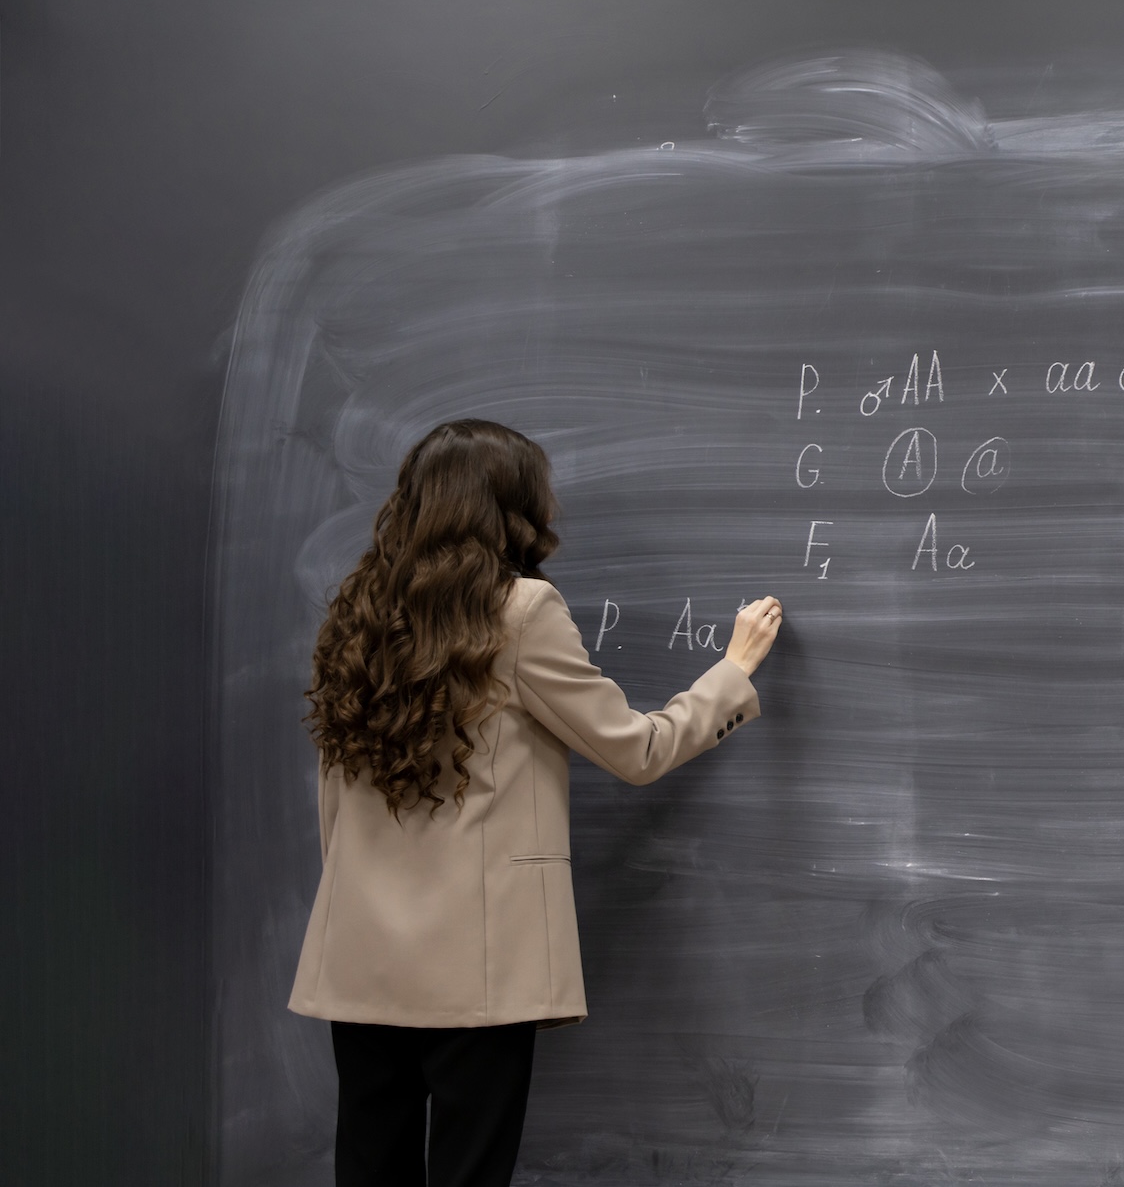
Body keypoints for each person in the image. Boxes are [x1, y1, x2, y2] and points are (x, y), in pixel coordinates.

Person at [288, 419, 783, 1186]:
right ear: (513, 506)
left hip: (361, 957)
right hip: (478, 969)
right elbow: (637, 751)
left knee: (367, 1167)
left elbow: (334, 794)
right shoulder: (520, 611)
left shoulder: (360, 612)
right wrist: (730, 672)